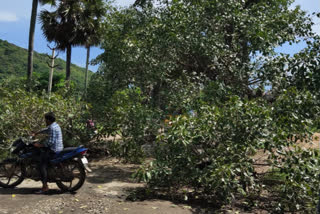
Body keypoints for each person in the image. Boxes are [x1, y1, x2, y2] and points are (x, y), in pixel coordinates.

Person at [32, 112, 64, 194]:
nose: (45, 121)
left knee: (41, 165)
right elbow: (46, 129)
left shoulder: (53, 128)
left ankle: (45, 187)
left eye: (45, 119)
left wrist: (39, 145)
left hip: (54, 149)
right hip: (58, 147)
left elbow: (51, 142)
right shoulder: (55, 125)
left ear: (48, 120)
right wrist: (36, 133)